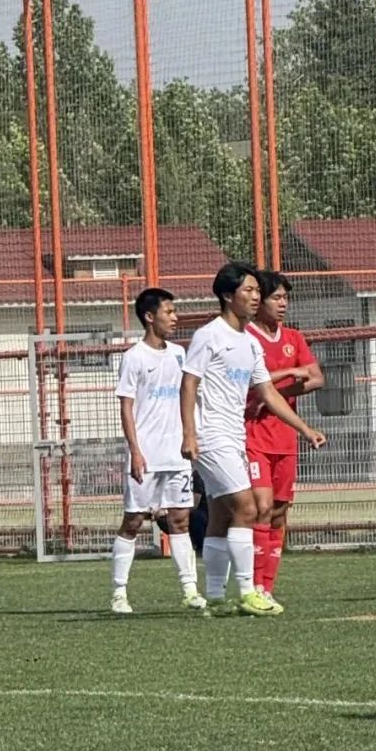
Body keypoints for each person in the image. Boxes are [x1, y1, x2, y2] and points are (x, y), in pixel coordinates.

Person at [180, 262, 326, 616]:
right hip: (211, 435)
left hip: (233, 435)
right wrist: (189, 433)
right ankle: (249, 591)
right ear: (228, 296)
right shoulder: (209, 335)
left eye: (257, 291)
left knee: (219, 514)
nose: (255, 296)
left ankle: (216, 597)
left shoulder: (249, 343)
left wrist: (304, 429)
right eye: (248, 290)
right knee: (247, 508)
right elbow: (189, 382)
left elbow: (268, 393)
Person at [111, 287, 205, 614]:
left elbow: (189, 398)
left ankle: (190, 590)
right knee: (134, 521)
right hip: (147, 455)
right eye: (169, 312)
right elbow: (126, 407)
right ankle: (119, 593)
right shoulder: (134, 357)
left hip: (176, 454)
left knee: (180, 520)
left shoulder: (179, 354)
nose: (175, 317)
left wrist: (193, 436)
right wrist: (135, 451)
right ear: (150, 317)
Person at [245, 271, 324, 607]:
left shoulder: (293, 337)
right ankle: (251, 585)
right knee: (260, 508)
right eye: (276, 297)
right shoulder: (245, 337)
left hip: (285, 439)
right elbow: (248, 385)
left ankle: (267, 588)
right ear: (258, 300)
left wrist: (273, 395)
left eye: (285, 298)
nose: (283, 304)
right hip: (252, 436)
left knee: (278, 513)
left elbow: (316, 378)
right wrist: (289, 374)